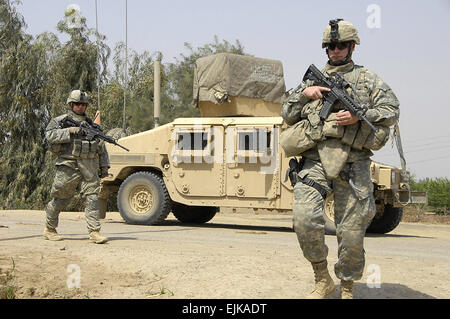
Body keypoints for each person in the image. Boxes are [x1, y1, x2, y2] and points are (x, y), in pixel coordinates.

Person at [281, 19, 399, 299]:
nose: (336, 50)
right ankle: (322, 278)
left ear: (352, 46)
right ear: (326, 48)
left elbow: (392, 109)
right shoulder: (312, 79)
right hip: (315, 160)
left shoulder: (368, 79)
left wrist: (362, 115)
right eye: (331, 46)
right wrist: (303, 94)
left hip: (353, 162)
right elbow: (286, 113)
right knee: (305, 219)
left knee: (352, 231)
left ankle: (346, 287)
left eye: (341, 45)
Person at [43, 90, 110, 244]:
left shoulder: (93, 126)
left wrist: (104, 167)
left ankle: (94, 232)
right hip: (68, 165)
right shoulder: (61, 121)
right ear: (71, 104)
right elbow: (49, 136)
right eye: (78, 104)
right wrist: (70, 131)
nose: (81, 107)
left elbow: (101, 147)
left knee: (93, 198)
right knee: (60, 199)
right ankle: (49, 228)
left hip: (89, 167)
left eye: (84, 104)